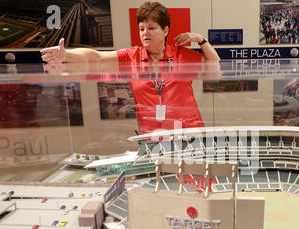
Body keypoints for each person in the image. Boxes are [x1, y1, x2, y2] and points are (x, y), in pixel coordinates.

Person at [41, 1, 220, 135]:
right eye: (141, 28)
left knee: (195, 182)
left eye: (151, 28)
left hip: (188, 132)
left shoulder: (182, 54)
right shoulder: (132, 56)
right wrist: (66, 55)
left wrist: (200, 39)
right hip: (152, 135)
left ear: (165, 30)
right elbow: (96, 57)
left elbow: (215, 66)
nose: (145, 33)